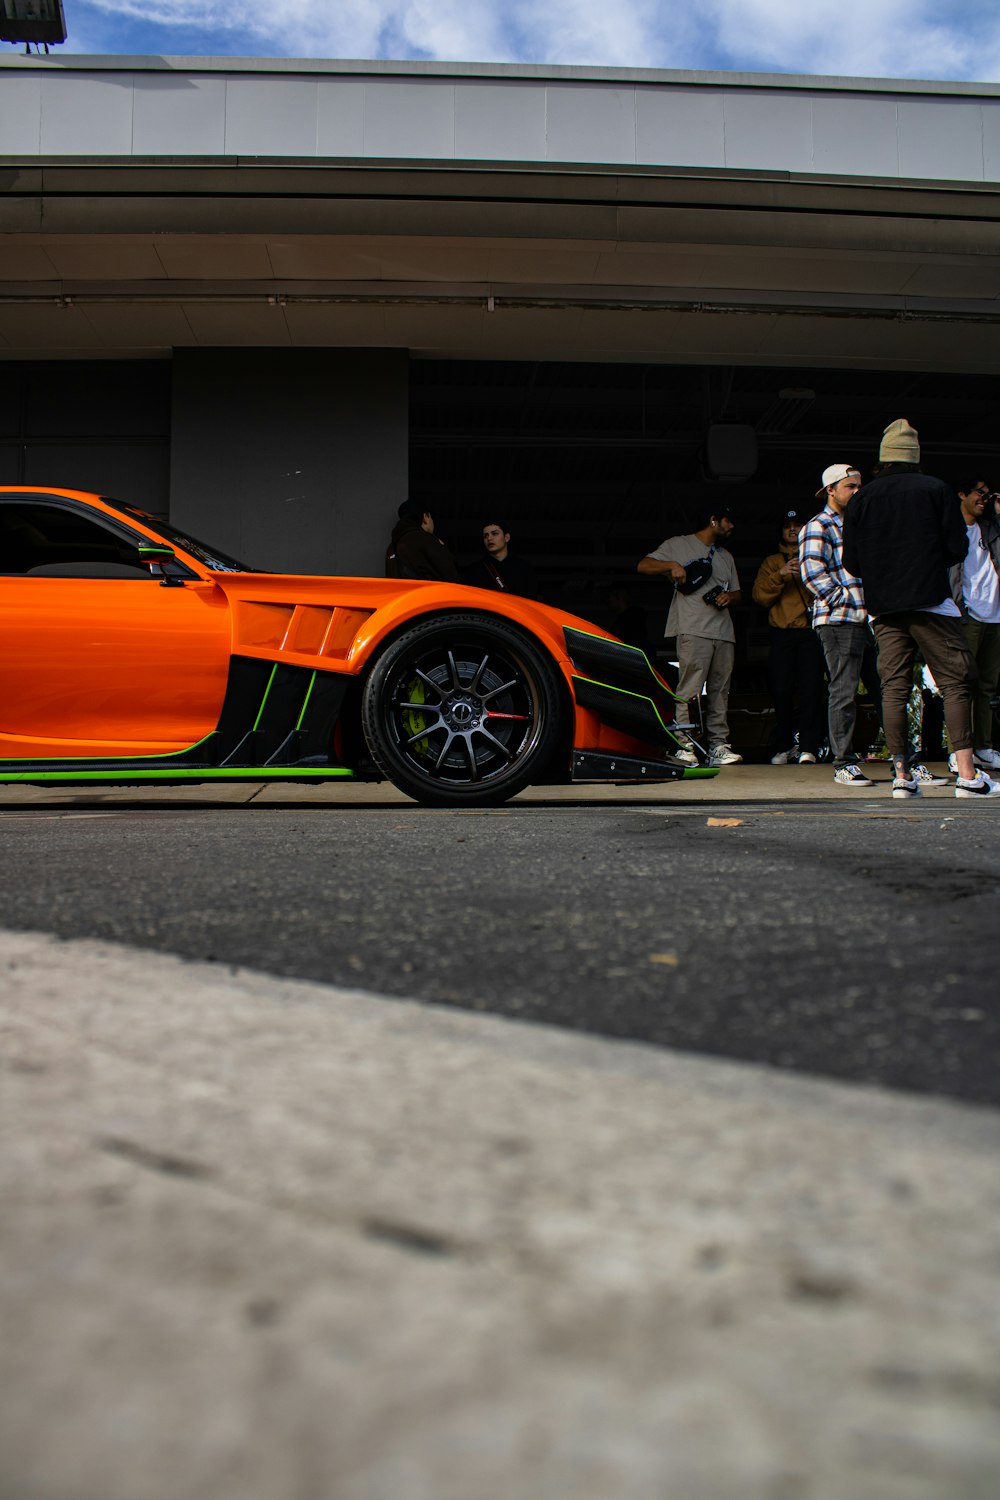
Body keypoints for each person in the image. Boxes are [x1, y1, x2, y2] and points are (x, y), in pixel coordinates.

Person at [842, 419, 998, 799]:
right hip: (931, 601)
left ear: (883, 458)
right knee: (956, 682)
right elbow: (956, 548)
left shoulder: (863, 498)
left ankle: (901, 777)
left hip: (884, 607)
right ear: (915, 456)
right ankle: (966, 776)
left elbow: (852, 561)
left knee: (894, 688)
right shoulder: (935, 490)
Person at [638, 504, 742, 767]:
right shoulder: (678, 545)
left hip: (724, 631)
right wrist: (672, 565)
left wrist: (729, 596)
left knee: (721, 690)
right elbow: (643, 565)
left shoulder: (726, 556)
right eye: (728, 521)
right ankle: (684, 744)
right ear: (713, 520)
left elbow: (738, 593)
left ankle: (718, 745)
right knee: (690, 688)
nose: (732, 527)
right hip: (693, 627)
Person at [799, 464, 877, 788]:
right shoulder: (819, 525)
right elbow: (811, 571)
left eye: (860, 486)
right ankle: (843, 763)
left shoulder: (862, 524)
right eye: (851, 487)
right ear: (830, 489)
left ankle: (908, 763)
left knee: (890, 688)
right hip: (840, 618)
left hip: (872, 618)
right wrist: (842, 598)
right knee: (844, 689)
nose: (858, 491)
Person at [752, 509, 826, 764]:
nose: (792, 529)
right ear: (781, 531)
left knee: (812, 690)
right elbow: (760, 597)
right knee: (780, 691)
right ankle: (782, 746)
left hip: (810, 633)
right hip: (782, 634)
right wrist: (781, 574)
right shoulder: (771, 561)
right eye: (787, 526)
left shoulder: (816, 555)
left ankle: (809, 747)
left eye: (798, 524)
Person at [948, 476, 1000, 772]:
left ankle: (983, 747)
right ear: (962, 493)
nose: (984, 498)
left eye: (988, 494)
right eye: (980, 493)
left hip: (995, 615)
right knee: (961, 686)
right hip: (966, 616)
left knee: (987, 687)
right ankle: (960, 751)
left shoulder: (991, 529)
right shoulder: (950, 529)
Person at [385, 500, 459, 583]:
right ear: (425, 517)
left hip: (403, 595)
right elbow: (451, 575)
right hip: (429, 595)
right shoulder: (426, 540)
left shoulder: (391, 548)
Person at [463, 519, 538, 597]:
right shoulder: (475, 570)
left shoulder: (524, 567)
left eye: (494, 534)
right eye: (486, 536)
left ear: (506, 537)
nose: (489, 538)